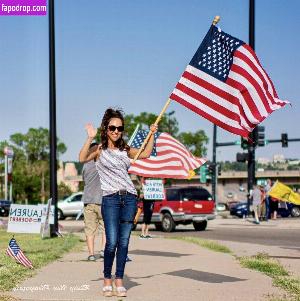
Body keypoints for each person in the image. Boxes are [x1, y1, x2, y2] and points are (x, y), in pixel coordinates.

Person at [79, 108, 157, 297]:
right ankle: (107, 278)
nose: (116, 131)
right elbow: (82, 158)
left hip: (129, 197)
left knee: (123, 242)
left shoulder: (125, 149)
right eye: (112, 127)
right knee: (111, 241)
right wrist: (90, 137)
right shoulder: (99, 150)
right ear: (106, 128)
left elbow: (145, 154)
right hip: (110, 199)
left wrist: (152, 135)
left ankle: (119, 279)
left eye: (119, 128)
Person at [82, 143, 105, 261]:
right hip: (103, 201)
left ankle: (91, 254)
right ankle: (103, 250)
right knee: (105, 228)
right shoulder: (104, 165)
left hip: (89, 201)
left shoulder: (86, 165)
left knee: (90, 229)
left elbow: (84, 180)